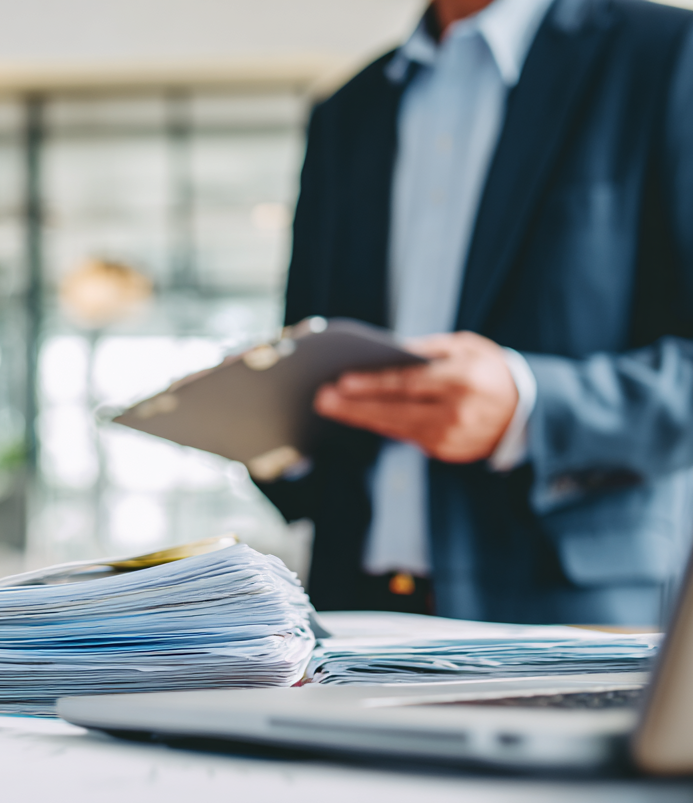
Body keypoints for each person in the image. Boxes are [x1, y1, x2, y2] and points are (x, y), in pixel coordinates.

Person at [259, 0, 693, 625]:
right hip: (351, 616)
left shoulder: (668, 55)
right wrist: (270, 418)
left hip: (577, 618)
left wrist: (531, 404)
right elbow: (308, 334)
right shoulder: (347, 109)